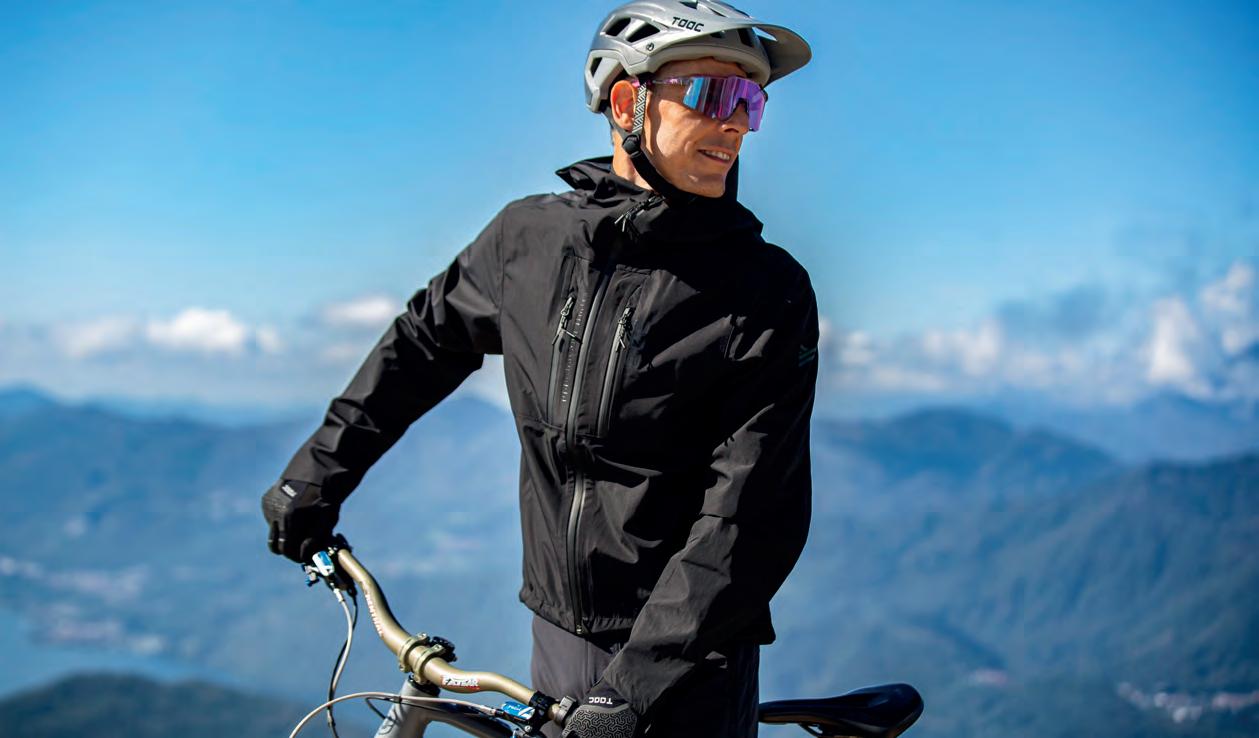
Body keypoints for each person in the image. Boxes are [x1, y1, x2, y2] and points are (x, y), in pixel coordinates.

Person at [261, 1, 818, 736]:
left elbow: (751, 514)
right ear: (627, 101)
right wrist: (314, 478)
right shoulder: (528, 240)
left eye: (751, 101)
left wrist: (637, 688)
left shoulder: (764, 290)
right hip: (558, 634)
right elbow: (421, 347)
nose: (739, 123)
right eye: (715, 95)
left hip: (688, 666)